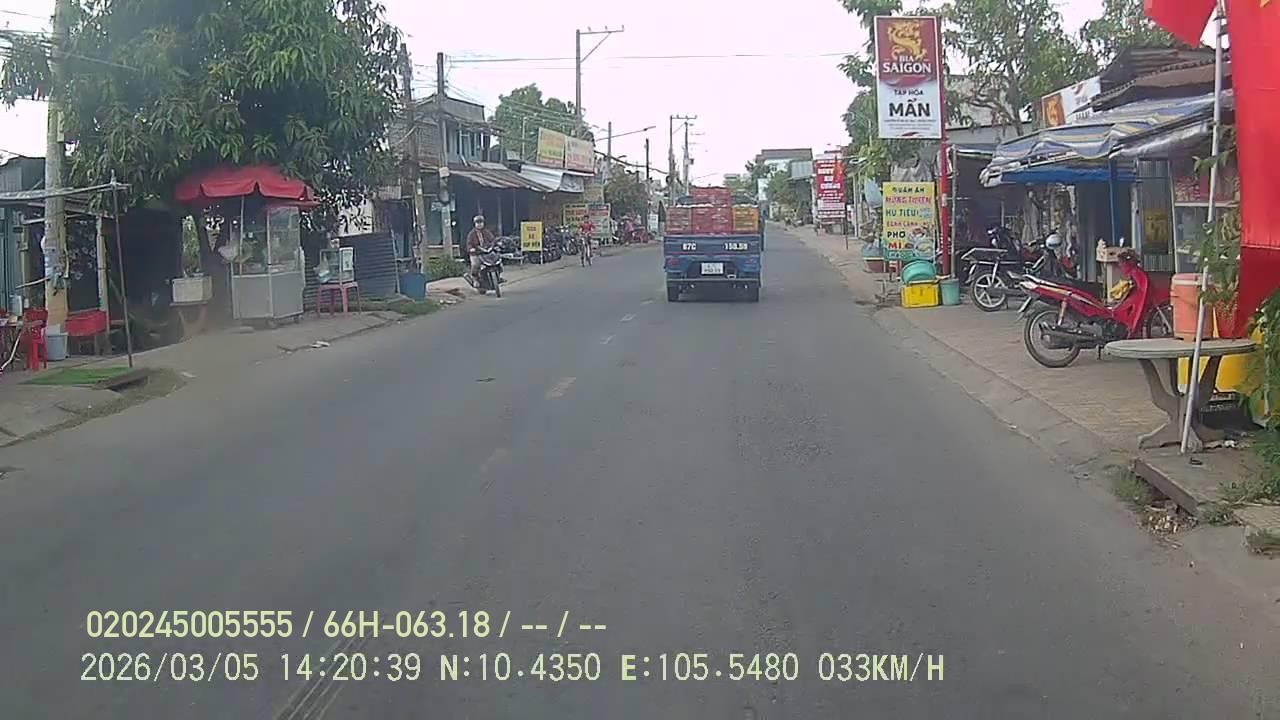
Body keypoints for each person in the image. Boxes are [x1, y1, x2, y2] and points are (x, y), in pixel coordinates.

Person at [465, 214, 495, 285]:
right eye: (477, 223)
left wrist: (494, 245)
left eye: (481, 222)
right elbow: (469, 243)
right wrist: (471, 249)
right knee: (475, 265)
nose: (479, 224)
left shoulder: (487, 232)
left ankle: (497, 276)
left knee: (496, 260)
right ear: (475, 224)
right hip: (476, 253)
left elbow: (493, 240)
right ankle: (475, 279)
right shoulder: (471, 234)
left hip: (487, 252)